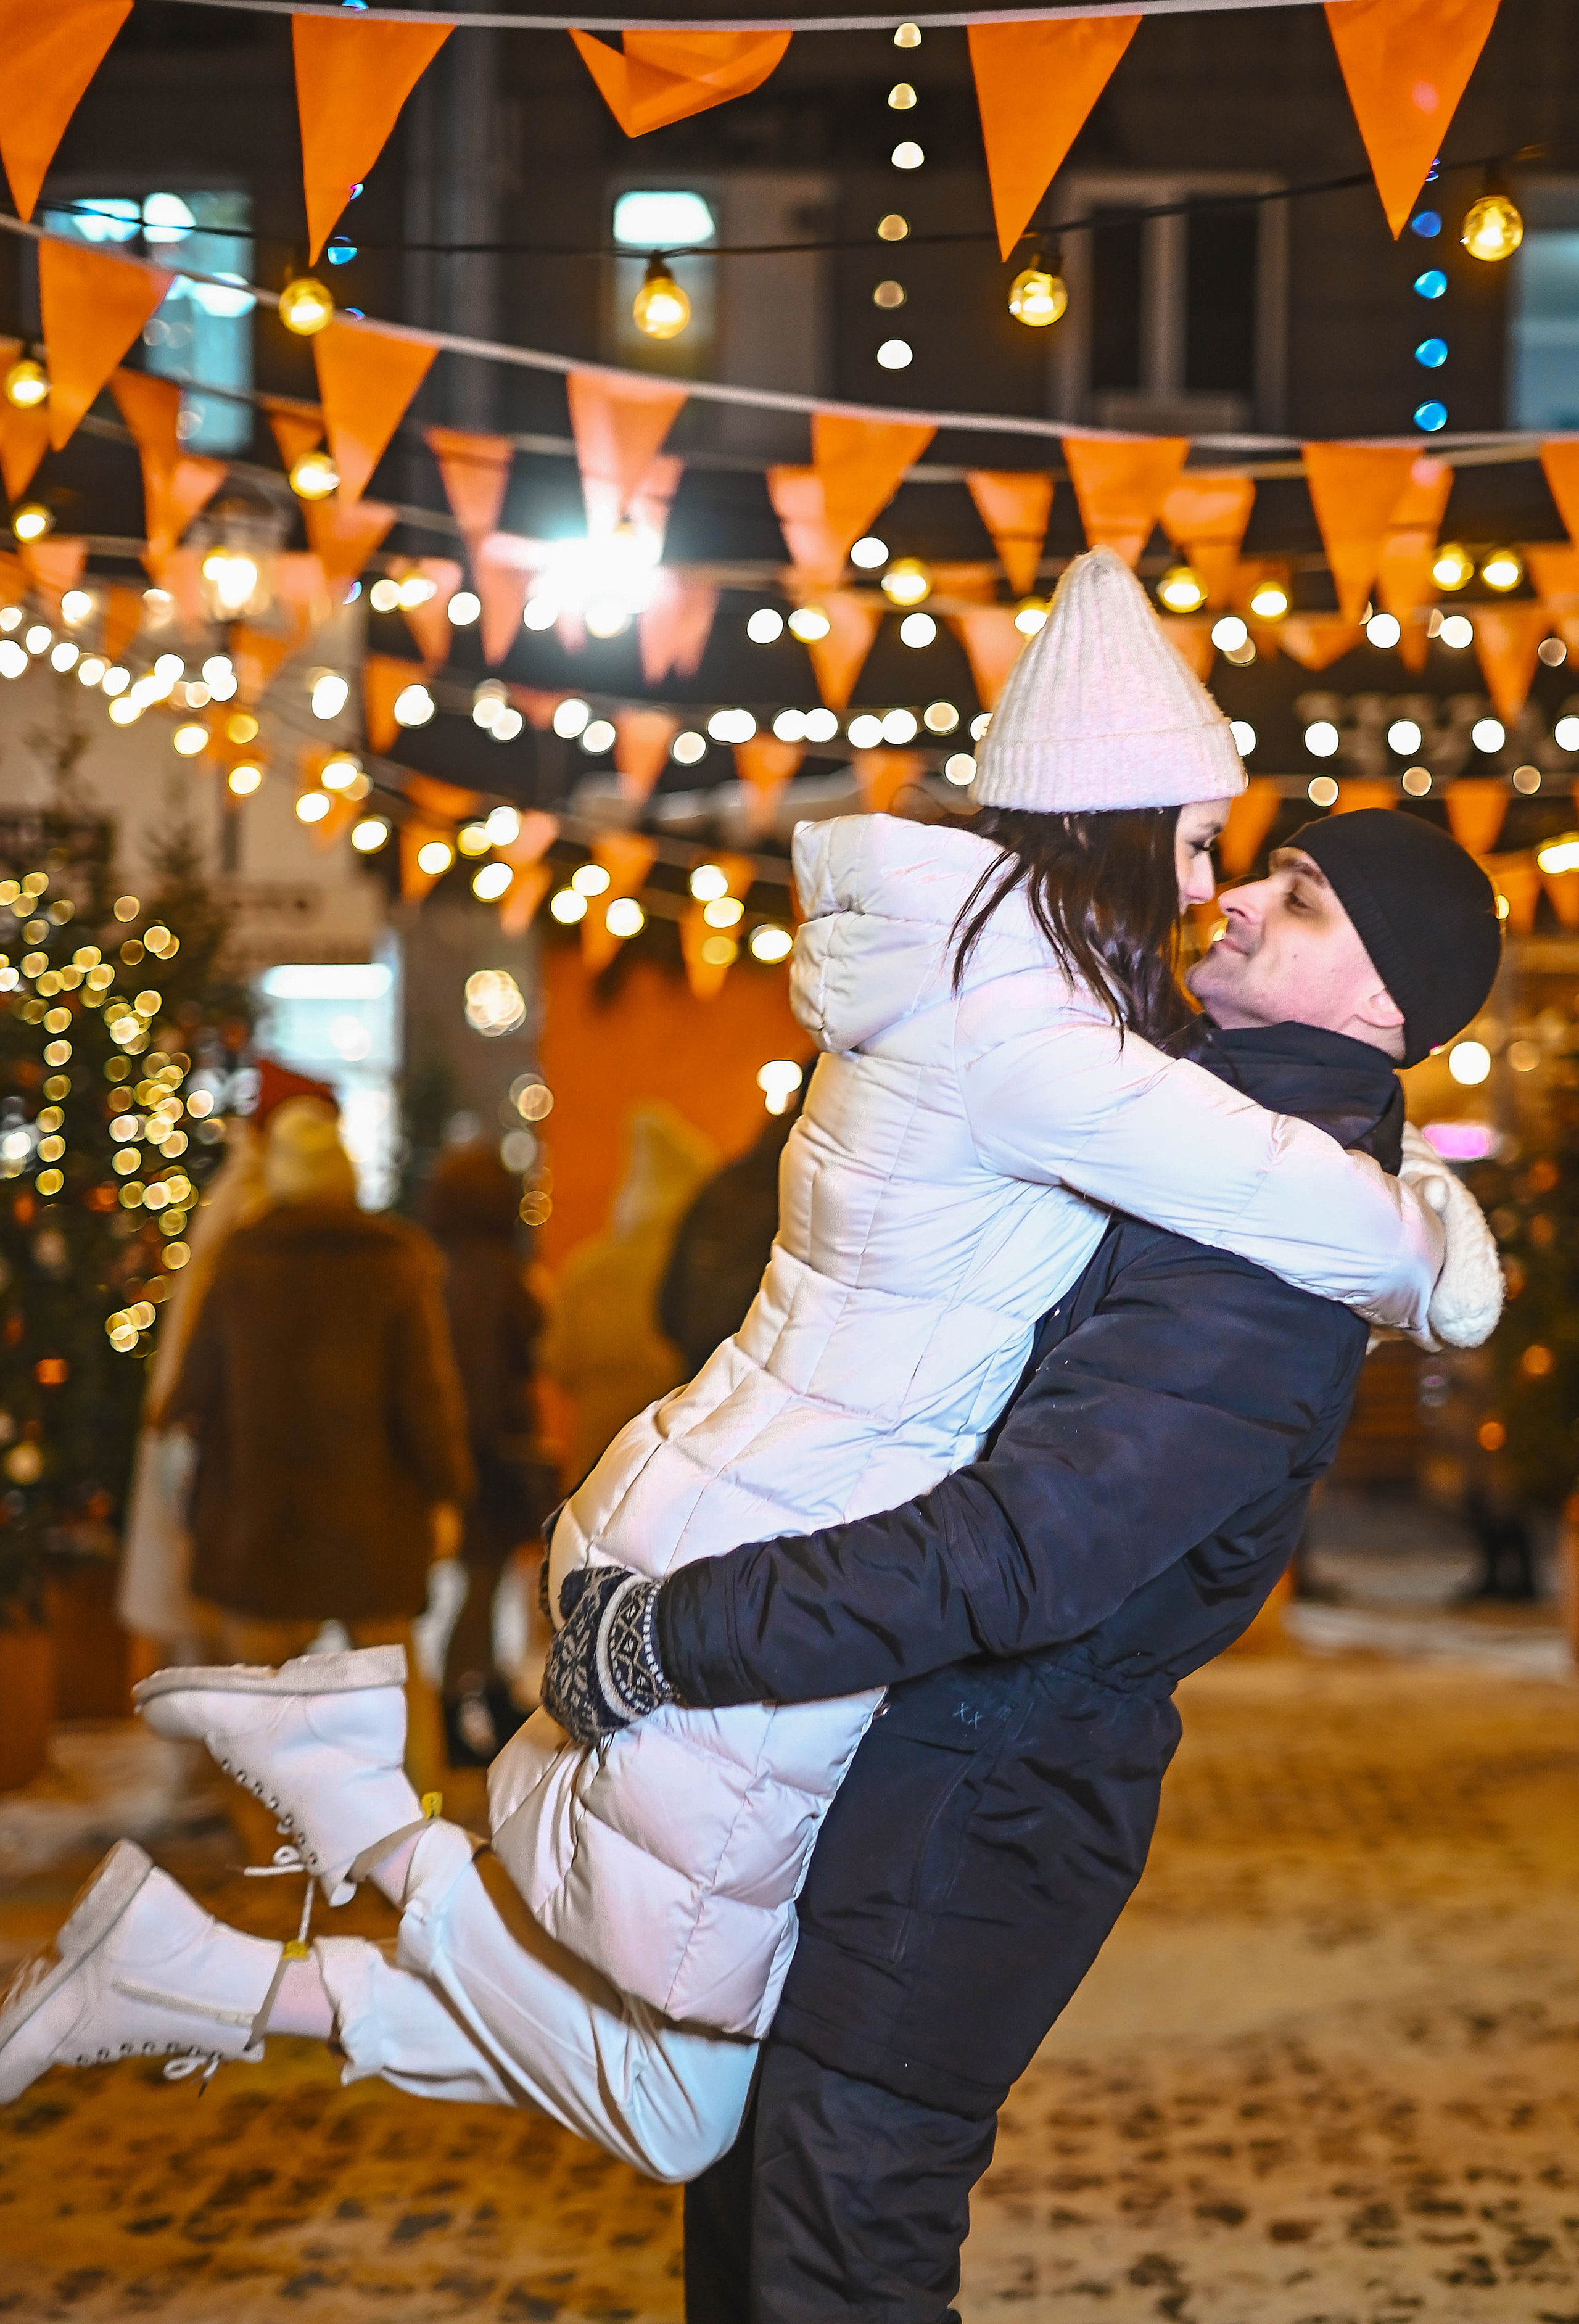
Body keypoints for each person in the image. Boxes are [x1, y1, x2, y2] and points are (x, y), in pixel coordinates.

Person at [0, 555, 1491, 2180]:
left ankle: (194, 1970)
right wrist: (1434, 1245)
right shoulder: (1037, 1046)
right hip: (783, 1545)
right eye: (1208, 848)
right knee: (683, 2100)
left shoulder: (975, 991)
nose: (1215, 888)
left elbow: (1221, 1148)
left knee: (687, 2085)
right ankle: (349, 1802)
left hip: (725, 1495)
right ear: (1124, 829)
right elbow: (1274, 1188)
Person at [538, 809, 1507, 2321]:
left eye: (1302, 899)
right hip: (901, 1783)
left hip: (974, 1828)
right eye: (1258, 866)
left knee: (830, 2259)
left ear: (1383, 1006)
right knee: (754, 2241)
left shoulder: (1260, 1263)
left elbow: (1025, 1555)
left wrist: (674, 1634)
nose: (1237, 900)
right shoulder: (1179, 1143)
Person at [160, 1097, 473, 1802]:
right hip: (372, 1516)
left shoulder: (239, 1262)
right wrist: (445, 1489)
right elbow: (425, 1397)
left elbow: (195, 1390)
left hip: (258, 1517)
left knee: (258, 1703)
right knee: (393, 1686)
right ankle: (420, 1833)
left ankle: (278, 1852)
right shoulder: (394, 1262)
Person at [117, 1061, 337, 1673]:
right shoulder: (252, 1209)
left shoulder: (250, 1202)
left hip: (236, 1437)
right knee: (234, 1615)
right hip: (236, 1437)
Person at [422, 1139, 557, 1756]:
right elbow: (523, 1349)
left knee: (483, 1583)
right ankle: (456, 1704)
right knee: (484, 1585)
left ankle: (482, 1692)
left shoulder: (433, 1265)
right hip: (494, 1451)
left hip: (461, 1447)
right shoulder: (501, 1273)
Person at [540, 1101, 717, 1483]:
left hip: (595, 1460)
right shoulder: (701, 1269)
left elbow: (558, 1362)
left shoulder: (586, 1268)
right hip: (676, 1462)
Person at [658, 1079, 808, 1380]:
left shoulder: (725, 1185)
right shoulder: (826, 1187)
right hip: (781, 1388)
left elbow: (669, 1306)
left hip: (704, 1382)